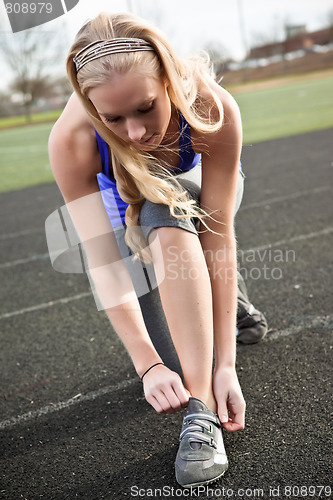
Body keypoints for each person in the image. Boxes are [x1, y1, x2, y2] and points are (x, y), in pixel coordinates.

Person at [48, 12, 267, 488]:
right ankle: (221, 306)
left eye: (146, 107)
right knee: (171, 351)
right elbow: (104, 263)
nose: (135, 133)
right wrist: (146, 363)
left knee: (164, 216)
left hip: (199, 195)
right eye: (113, 118)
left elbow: (219, 232)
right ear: (91, 109)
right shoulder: (73, 141)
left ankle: (203, 416)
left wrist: (223, 368)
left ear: (168, 81)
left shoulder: (212, 107)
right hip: (124, 202)